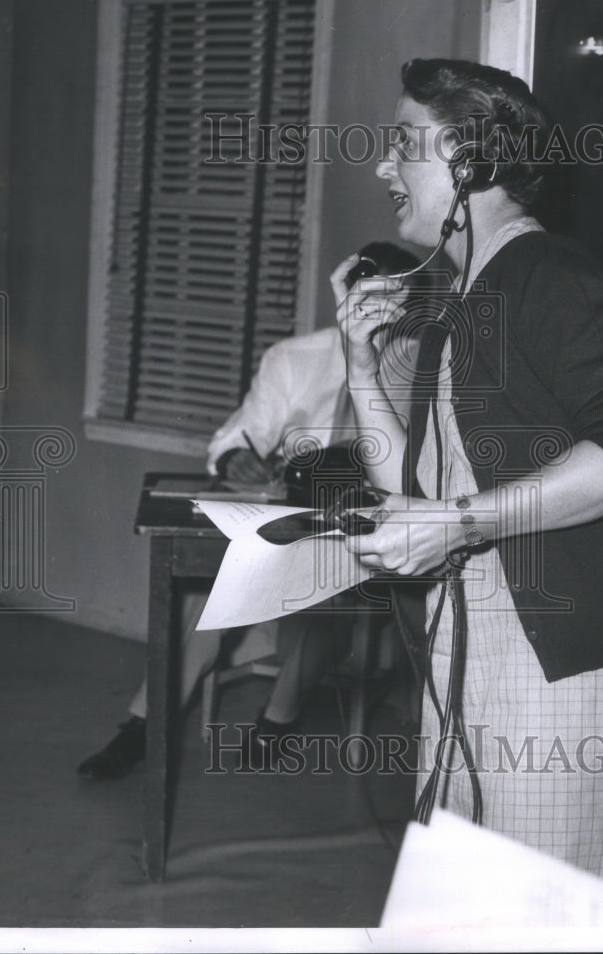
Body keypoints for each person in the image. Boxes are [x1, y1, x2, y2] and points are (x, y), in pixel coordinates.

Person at [330, 59, 603, 895]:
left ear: (472, 161)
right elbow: (412, 491)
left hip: (558, 666)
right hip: (473, 646)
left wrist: (459, 523)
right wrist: (359, 370)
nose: (383, 167)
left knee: (556, 913)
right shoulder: (463, 299)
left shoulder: (548, 275)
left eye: (404, 145)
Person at [77, 241, 419, 780]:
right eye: (370, 300)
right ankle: (144, 725)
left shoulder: (429, 369)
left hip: (372, 522)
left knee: (332, 587)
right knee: (212, 592)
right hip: (290, 507)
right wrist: (238, 457)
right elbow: (239, 433)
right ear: (348, 297)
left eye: (396, 303)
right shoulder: (294, 357)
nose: (380, 316)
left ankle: (276, 722)